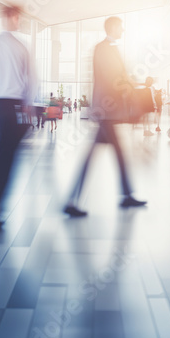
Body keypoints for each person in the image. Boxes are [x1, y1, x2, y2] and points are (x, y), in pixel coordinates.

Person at [64, 16, 146, 216]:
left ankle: (124, 194)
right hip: (106, 110)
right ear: (113, 27)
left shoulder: (109, 48)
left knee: (112, 154)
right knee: (106, 155)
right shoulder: (104, 48)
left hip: (107, 110)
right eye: (121, 27)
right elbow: (112, 76)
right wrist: (127, 90)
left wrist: (129, 85)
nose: (123, 30)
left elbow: (118, 75)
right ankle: (73, 200)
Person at [0, 5, 36, 229]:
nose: (19, 21)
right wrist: (28, 103)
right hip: (11, 104)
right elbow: (31, 78)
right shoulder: (21, 47)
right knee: (6, 155)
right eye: (17, 18)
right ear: (11, 18)